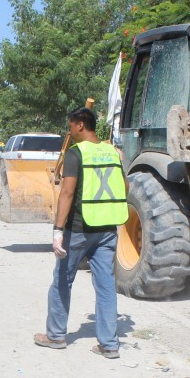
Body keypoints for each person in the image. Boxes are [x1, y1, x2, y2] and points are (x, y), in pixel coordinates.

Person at [34, 107, 128, 359]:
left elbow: (66, 193)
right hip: (107, 228)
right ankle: (109, 344)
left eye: (71, 125)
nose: (69, 130)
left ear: (80, 126)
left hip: (78, 229)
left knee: (63, 281)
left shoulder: (76, 154)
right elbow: (124, 186)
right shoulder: (112, 152)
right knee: (106, 285)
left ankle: (55, 336)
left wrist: (57, 230)